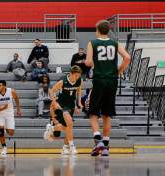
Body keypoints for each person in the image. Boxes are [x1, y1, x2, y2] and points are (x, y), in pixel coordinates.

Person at [85, 20, 131, 157]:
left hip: (99, 79)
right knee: (107, 114)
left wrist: (93, 63)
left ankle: (98, 140)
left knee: (93, 114)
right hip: (112, 81)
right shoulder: (115, 43)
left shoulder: (92, 43)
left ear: (97, 30)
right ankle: (105, 147)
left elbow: (87, 62)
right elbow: (127, 57)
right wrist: (119, 71)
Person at [43, 65, 83, 155]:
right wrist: (54, 102)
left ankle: (64, 146)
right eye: (76, 75)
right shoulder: (63, 81)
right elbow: (51, 91)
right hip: (62, 105)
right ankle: (72, 146)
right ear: (71, 74)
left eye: (79, 76)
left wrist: (79, 103)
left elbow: (79, 91)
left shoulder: (79, 80)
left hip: (71, 105)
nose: (77, 77)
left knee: (68, 127)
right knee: (70, 123)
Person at [0, 80, 22, 157]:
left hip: (9, 113)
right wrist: (3, 108)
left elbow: (16, 99)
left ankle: (5, 127)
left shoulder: (11, 91)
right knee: (0, 129)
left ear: (4, 86)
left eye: (0, 85)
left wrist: (18, 109)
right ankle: (4, 147)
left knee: (11, 133)